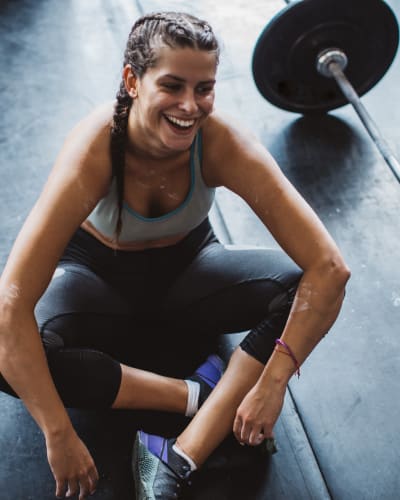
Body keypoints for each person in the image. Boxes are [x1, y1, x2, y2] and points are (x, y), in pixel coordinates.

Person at [0, 10, 350, 500]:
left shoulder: (222, 142)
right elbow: (9, 307)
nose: (191, 105)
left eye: (204, 88)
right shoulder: (95, 149)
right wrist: (57, 433)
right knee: (9, 354)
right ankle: (197, 395)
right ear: (132, 80)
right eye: (173, 85)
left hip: (188, 274)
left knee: (305, 289)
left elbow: (329, 268)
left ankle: (181, 452)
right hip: (95, 281)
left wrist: (273, 383)